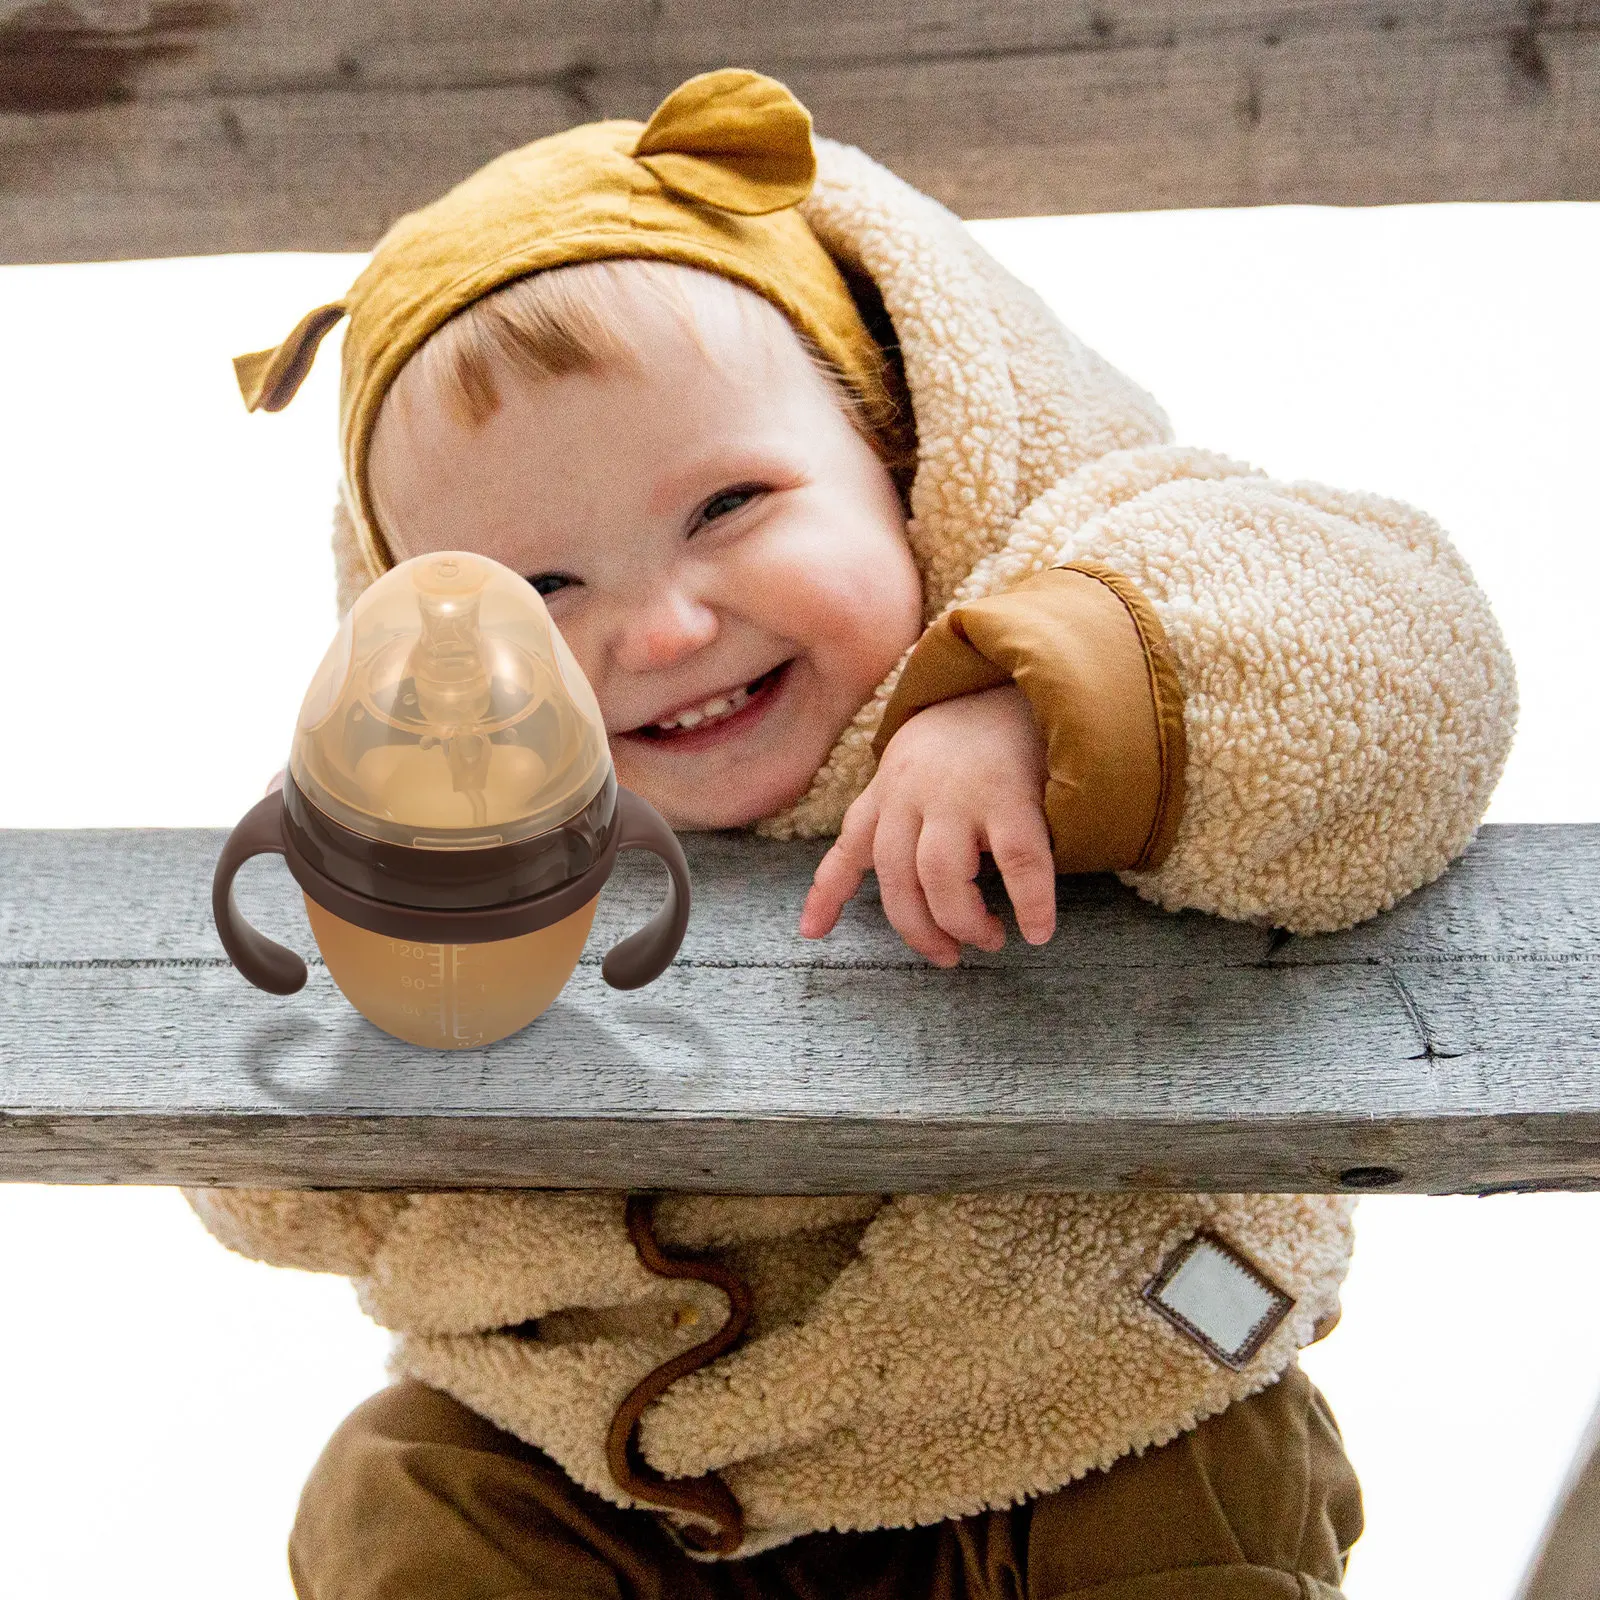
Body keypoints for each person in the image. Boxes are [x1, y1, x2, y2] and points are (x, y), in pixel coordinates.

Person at [191, 68, 1515, 1598]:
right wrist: (388, 972)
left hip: (1079, 1402)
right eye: (539, 593)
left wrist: (1045, 701)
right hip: (632, 1477)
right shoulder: (471, 859)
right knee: (398, 1489)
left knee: (1199, 1491)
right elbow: (277, 1199)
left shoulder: (1102, 569)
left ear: (903, 457)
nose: (666, 626)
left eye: (730, 505)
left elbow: (1405, 663)